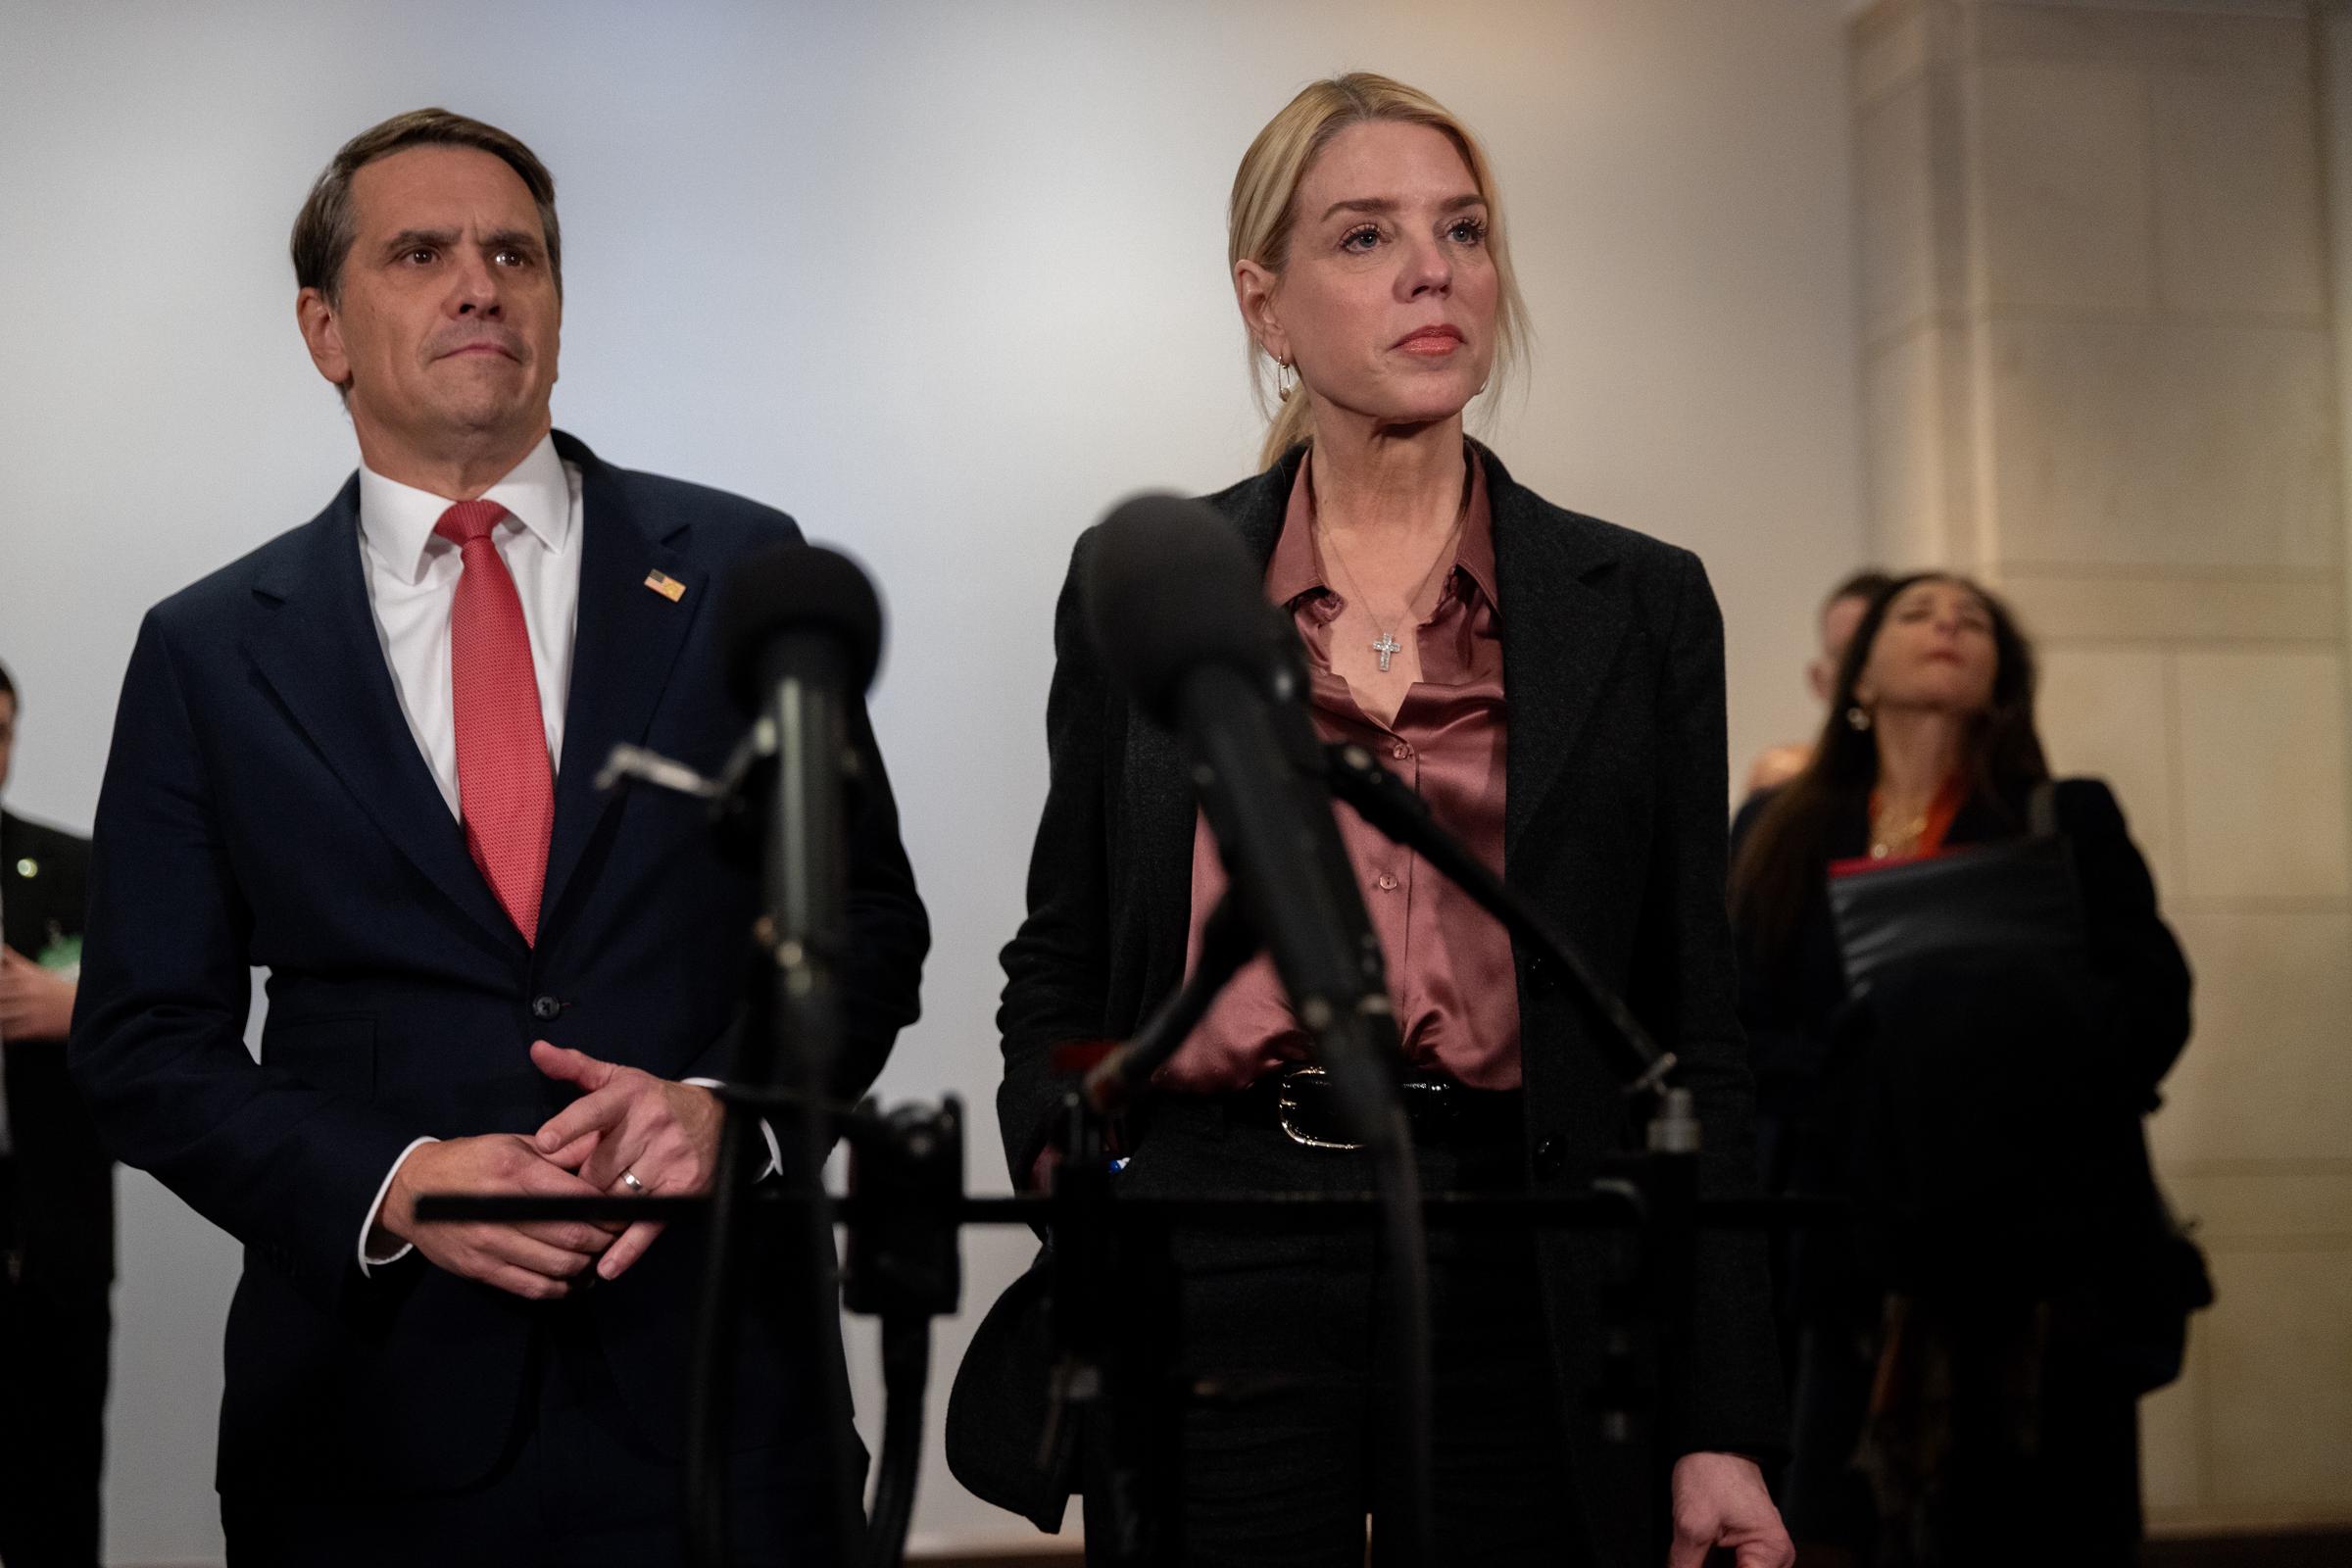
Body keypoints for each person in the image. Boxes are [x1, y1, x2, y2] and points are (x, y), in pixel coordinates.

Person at [69, 109, 928, 1562]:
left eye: (514, 253)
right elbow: (144, 1040)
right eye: (421, 253)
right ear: (325, 329)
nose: (480, 283)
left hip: (724, 1405)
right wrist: (390, 1183)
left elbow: (866, 929)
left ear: (555, 308)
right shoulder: (212, 649)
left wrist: (734, 1111)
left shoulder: (742, 569)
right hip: (373, 1418)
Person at [958, 74, 1789, 1567]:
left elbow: (1697, 1032)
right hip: (1215, 1236)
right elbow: (1063, 954)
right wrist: (1078, 1184)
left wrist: (1722, 1412)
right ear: (1263, 303)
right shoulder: (1144, 580)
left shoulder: (1643, 603)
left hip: (1525, 1239)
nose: (1434, 270)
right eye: (1366, 236)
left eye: (1463, 230)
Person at [1728, 574, 2191, 1565]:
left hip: (2038, 1257)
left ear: (2002, 684)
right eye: (1918, 613)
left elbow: (2152, 1008)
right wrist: (1872, 1077)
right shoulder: (1778, 830)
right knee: (1835, 1533)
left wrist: (1991, 1061)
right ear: (1858, 678)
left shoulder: (2062, 817)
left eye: (1973, 621)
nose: (1948, 625)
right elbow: (1734, 1028)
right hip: (1845, 1253)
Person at [0, 659, 114, 1568]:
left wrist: (73, 1011)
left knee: (56, 1477)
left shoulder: (76, 867)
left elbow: (172, 1013)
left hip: (49, 1234)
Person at [1741, 570, 1894, 799]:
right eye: (1846, 655)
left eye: (1869, 651)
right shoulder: (1782, 791)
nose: (1861, 671)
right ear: (1818, 680)